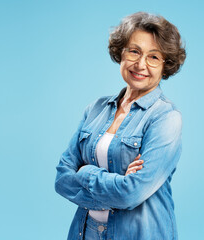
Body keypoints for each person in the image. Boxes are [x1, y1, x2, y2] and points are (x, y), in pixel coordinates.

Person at [55, 11, 186, 240]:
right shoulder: (95, 109)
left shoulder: (166, 117)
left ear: (166, 65)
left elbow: (131, 194)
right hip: (85, 232)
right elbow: (62, 180)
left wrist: (84, 173)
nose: (141, 64)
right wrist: (118, 180)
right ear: (121, 52)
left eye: (154, 57)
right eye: (134, 51)